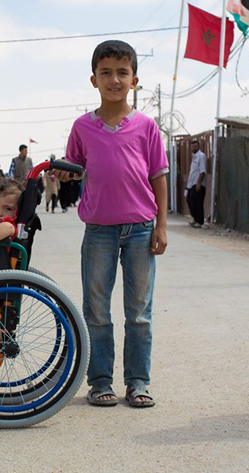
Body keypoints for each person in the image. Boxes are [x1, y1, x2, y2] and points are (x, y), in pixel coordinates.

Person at [54, 40, 168, 408]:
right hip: (99, 231)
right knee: (97, 310)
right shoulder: (82, 127)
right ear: (93, 79)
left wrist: (161, 226)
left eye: (122, 72)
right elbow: (72, 170)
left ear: (135, 79)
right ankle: (100, 381)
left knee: (139, 313)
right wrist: (63, 175)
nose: (114, 79)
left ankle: (138, 382)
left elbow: (159, 177)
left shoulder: (147, 127)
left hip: (140, 229)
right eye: (106, 72)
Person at [186, 139, 208, 229]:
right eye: (192, 146)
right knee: (189, 199)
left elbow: (202, 171)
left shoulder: (201, 156)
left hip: (198, 183)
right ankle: (194, 218)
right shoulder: (194, 157)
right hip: (191, 184)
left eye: (195, 146)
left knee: (198, 202)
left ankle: (200, 221)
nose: (194, 147)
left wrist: (199, 183)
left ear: (198, 146)